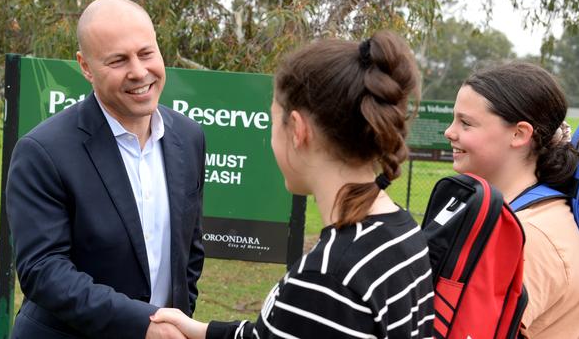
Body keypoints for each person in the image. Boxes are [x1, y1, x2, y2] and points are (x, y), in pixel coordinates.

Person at [150, 31, 435, 338]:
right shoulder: (401, 231)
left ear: (298, 130)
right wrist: (203, 331)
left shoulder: (326, 280)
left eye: (273, 120)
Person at [6, 0, 205, 339]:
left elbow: (189, 252)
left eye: (146, 53)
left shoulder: (188, 138)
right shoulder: (42, 152)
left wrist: (177, 318)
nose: (139, 72)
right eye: (118, 60)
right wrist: (141, 324)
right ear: (85, 66)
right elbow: (44, 271)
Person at [443, 62, 579, 338]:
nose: (449, 132)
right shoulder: (520, 216)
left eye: (466, 123)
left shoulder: (530, 236)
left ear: (519, 134)